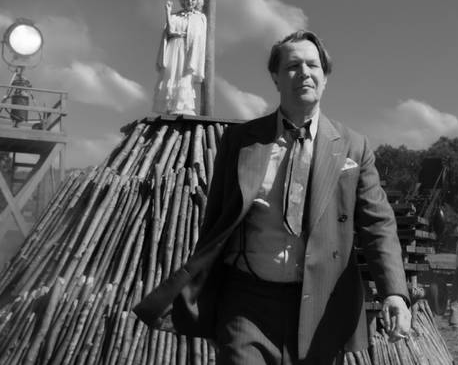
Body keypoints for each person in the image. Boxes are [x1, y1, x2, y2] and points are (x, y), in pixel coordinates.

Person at [134, 30, 411, 364]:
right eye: (293, 66)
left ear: (325, 77)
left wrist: (395, 292)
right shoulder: (241, 141)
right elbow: (216, 220)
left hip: (321, 305)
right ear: (276, 77)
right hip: (247, 301)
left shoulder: (354, 146)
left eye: (313, 65)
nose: (304, 73)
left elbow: (378, 225)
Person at [152, 0, 207, 115]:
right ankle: (170, 106)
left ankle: (182, 105)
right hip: (173, 47)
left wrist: (188, 39)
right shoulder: (175, 16)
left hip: (188, 49)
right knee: (171, 74)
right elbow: (169, 31)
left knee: (184, 75)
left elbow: (199, 37)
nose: (190, 1)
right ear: (183, 0)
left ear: (197, 2)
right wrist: (168, 12)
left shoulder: (200, 17)